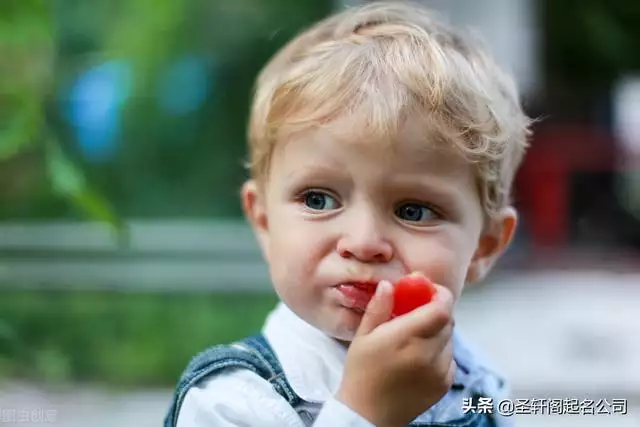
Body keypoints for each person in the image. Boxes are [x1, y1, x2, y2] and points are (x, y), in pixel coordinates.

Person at [165, 1, 532, 426]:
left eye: (414, 210)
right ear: (264, 222)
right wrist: (364, 412)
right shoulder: (230, 402)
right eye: (318, 200)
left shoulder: (479, 386)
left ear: (484, 247)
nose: (363, 243)